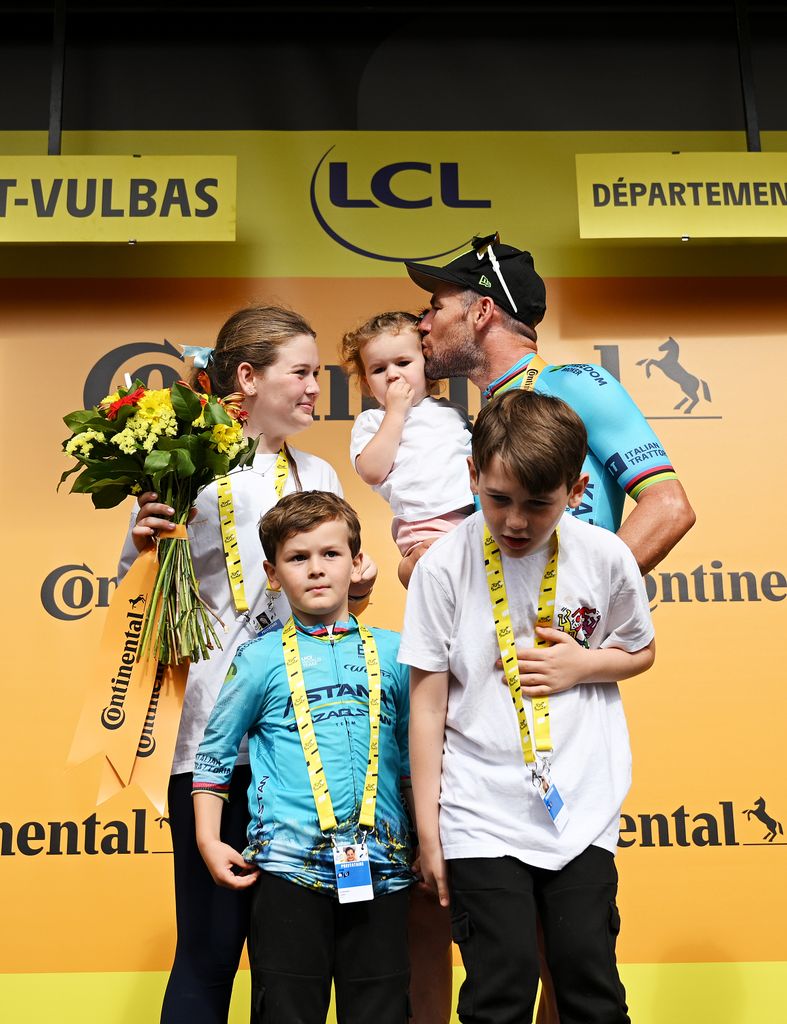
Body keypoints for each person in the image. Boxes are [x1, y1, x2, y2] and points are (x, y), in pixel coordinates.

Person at [118, 306, 376, 1024]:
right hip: (211, 738)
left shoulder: (318, 470)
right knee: (208, 946)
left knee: (288, 956)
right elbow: (134, 605)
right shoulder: (186, 465)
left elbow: (337, 602)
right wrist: (142, 545)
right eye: (299, 373)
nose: (314, 389)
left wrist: (361, 578)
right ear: (245, 377)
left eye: (317, 375)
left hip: (303, 745)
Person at [400, 390, 656, 1024]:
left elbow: (641, 650)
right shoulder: (441, 568)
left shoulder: (605, 555)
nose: (515, 521)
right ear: (472, 476)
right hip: (479, 811)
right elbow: (427, 707)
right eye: (498, 500)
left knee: (589, 983)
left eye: (538, 505)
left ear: (573, 491)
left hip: (582, 804)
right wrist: (430, 832)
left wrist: (583, 664)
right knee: (501, 987)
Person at [192, 491, 413, 1024]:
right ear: (272, 573)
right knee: (286, 1011)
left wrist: (428, 846)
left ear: (357, 563)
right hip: (287, 873)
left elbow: (413, 761)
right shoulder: (259, 657)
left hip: (383, 869)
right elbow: (215, 754)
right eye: (297, 558)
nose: (316, 570)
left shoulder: (396, 651)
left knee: (382, 1010)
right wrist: (207, 838)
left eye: (331, 554)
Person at [405, 232, 695, 574]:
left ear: (482, 312)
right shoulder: (486, 414)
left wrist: (588, 604)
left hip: (575, 626)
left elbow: (669, 506)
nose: (421, 324)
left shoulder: (576, 384)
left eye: (435, 308)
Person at [341, 311, 474, 587]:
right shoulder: (373, 422)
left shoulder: (451, 412)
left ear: (427, 366)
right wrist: (395, 413)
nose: (392, 375)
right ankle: (413, 570)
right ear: (366, 382)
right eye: (378, 369)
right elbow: (372, 471)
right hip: (423, 525)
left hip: (473, 515)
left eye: (403, 363)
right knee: (437, 575)